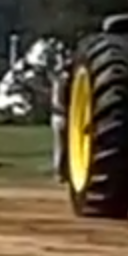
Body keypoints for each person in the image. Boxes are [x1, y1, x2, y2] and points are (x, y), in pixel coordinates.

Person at [49, 48, 70, 182]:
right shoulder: (63, 80)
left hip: (57, 115)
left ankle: (61, 172)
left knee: (61, 146)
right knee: (62, 147)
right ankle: (60, 173)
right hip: (62, 115)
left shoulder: (57, 79)